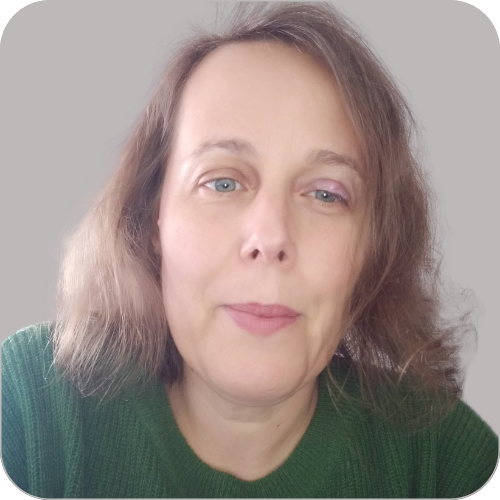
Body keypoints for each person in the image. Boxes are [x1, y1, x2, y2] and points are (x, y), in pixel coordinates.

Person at [2, 2, 498, 498]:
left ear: (372, 246)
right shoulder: (28, 404)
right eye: (222, 183)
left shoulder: (444, 458)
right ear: (152, 218)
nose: (271, 237)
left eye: (326, 194)